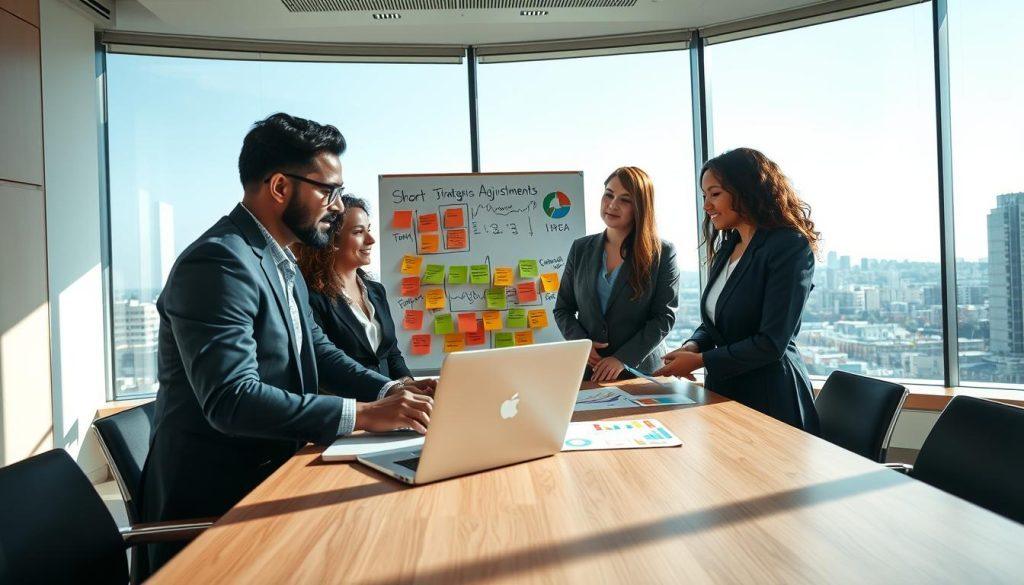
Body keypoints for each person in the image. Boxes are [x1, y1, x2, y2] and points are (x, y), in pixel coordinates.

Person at [139, 113, 434, 573]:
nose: (337, 206)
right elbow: (231, 398)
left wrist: (388, 390)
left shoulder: (281, 262)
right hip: (218, 506)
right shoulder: (218, 261)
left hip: (275, 474)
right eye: (328, 190)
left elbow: (316, 350)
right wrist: (361, 415)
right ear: (280, 187)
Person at [653, 147, 820, 433]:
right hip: (726, 393)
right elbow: (716, 323)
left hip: (771, 399)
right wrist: (693, 346)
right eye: (704, 196)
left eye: (715, 194)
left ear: (747, 190)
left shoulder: (789, 247)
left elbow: (771, 342)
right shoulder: (728, 247)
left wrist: (700, 361)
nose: (706, 205)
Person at [553, 166, 679, 381]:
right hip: (589, 370)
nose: (612, 205)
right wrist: (582, 344)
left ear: (640, 207)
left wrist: (623, 358)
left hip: (640, 372)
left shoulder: (662, 252)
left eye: (625, 200)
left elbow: (663, 317)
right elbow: (563, 309)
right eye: (609, 195)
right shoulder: (580, 248)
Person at [296, 195, 429, 385]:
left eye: (369, 230)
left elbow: (391, 353)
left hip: (393, 405)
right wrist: (389, 390)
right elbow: (323, 364)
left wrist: (410, 384)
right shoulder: (311, 296)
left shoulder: (376, 291)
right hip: (354, 409)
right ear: (333, 240)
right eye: (359, 232)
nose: (371, 239)